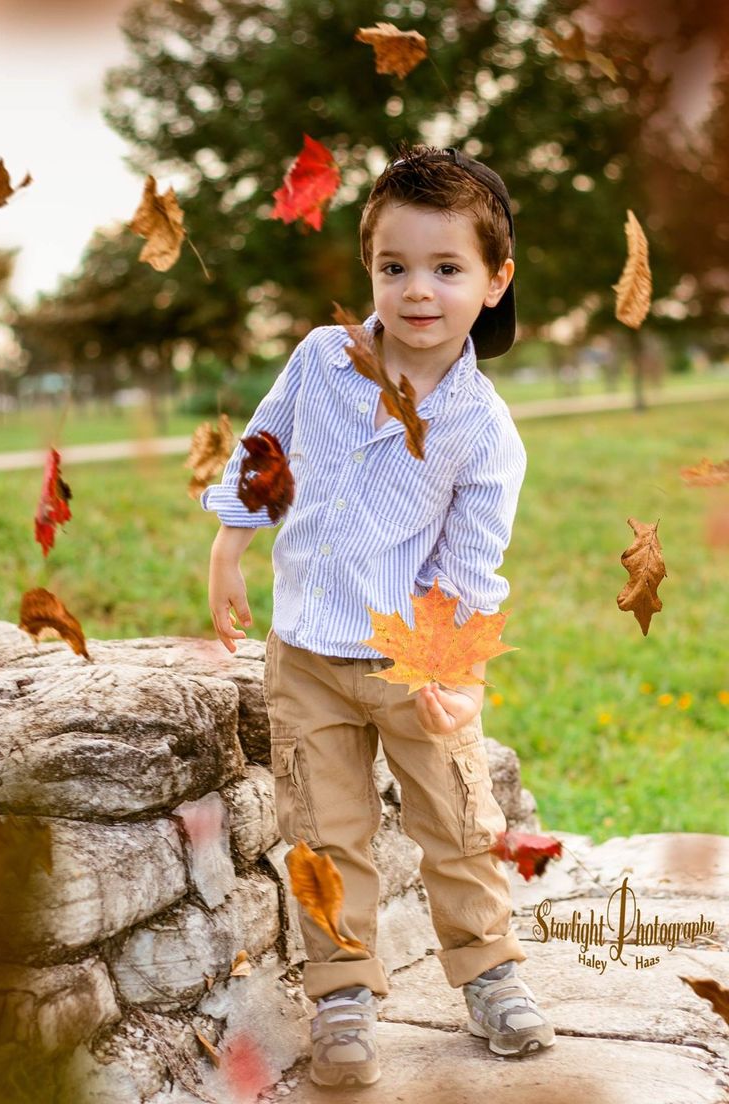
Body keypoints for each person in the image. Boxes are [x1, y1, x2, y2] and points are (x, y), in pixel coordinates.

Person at [201, 141, 555, 1089]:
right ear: (370, 269)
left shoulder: (484, 431)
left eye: (447, 268)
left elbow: (471, 564)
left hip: (414, 662)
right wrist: (231, 542)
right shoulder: (325, 360)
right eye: (394, 267)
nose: (418, 291)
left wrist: (448, 671)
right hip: (308, 652)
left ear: (494, 281)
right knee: (326, 831)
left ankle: (489, 972)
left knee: (457, 817)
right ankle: (343, 990)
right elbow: (266, 441)